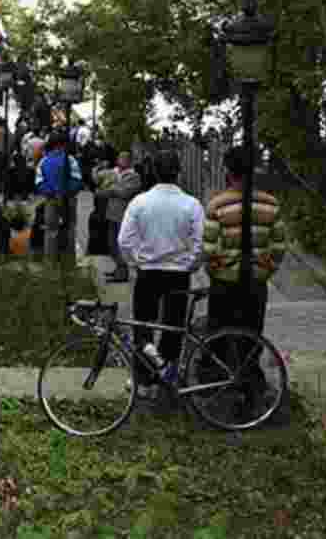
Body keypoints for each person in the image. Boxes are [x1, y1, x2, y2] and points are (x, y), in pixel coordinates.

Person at [117, 150, 205, 398]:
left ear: (153, 172)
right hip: (178, 274)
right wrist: (191, 264)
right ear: (178, 172)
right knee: (173, 327)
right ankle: (169, 375)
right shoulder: (191, 204)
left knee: (142, 326)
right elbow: (201, 243)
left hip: (148, 273)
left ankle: (144, 380)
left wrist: (136, 261)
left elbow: (124, 240)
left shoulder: (140, 202)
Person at [203, 146, 287, 399]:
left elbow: (209, 249)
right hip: (255, 284)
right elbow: (279, 247)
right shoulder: (271, 205)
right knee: (252, 335)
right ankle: (251, 385)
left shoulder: (217, 204)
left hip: (223, 284)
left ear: (228, 172)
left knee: (217, 333)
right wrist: (266, 270)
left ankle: (214, 385)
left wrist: (218, 270)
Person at [94, 151, 142, 283]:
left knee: (121, 244)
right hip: (112, 213)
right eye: (120, 158)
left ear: (129, 161)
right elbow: (96, 179)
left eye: (125, 159)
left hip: (124, 215)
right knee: (111, 244)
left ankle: (122, 273)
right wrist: (99, 167)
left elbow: (125, 193)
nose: (121, 160)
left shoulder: (134, 176)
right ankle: (118, 268)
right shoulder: (112, 172)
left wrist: (109, 189)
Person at [35, 131, 83, 263]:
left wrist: (51, 192)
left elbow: (39, 182)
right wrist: (65, 191)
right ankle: (69, 260)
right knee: (70, 228)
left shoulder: (44, 161)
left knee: (51, 231)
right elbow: (77, 180)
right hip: (69, 198)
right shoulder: (70, 159)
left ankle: (50, 261)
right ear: (63, 145)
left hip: (50, 199)